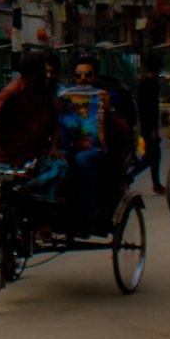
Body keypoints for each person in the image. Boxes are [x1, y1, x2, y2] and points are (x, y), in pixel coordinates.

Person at [59, 55, 131, 228]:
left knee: (83, 160)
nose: (83, 79)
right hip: (72, 145)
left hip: (101, 149)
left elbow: (126, 130)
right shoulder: (67, 95)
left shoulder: (109, 96)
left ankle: (92, 207)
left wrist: (109, 109)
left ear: (96, 76)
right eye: (78, 76)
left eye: (88, 75)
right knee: (59, 159)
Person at [0, 52, 59, 170]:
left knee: (62, 170)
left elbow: (56, 121)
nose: (47, 76)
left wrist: (54, 147)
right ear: (34, 74)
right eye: (43, 71)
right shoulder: (10, 94)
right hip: (12, 160)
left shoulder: (45, 93)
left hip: (39, 157)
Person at [127, 54, 166, 195]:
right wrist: (154, 128)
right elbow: (153, 108)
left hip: (143, 123)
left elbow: (140, 106)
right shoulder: (153, 84)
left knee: (155, 155)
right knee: (150, 156)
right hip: (149, 125)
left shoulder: (142, 83)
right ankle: (129, 176)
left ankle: (156, 185)